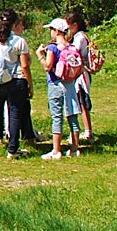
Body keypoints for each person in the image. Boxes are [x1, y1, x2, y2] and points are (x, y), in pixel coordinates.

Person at [0, 9, 33, 159]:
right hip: (17, 80)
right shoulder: (19, 41)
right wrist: (30, 85)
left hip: (0, 81)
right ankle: (13, 149)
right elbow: (25, 65)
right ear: (15, 23)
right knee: (15, 113)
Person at [38, 18, 81, 159]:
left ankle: (56, 151)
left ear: (57, 31)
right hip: (70, 85)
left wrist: (40, 56)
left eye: (51, 29)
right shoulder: (71, 46)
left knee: (57, 117)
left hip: (55, 84)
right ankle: (75, 148)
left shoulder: (52, 47)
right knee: (72, 116)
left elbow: (48, 66)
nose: (50, 32)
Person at [66, 10, 95, 142]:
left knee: (82, 101)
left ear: (75, 25)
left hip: (82, 73)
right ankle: (86, 130)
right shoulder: (79, 36)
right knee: (80, 100)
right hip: (80, 72)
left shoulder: (80, 37)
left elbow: (74, 52)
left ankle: (88, 131)